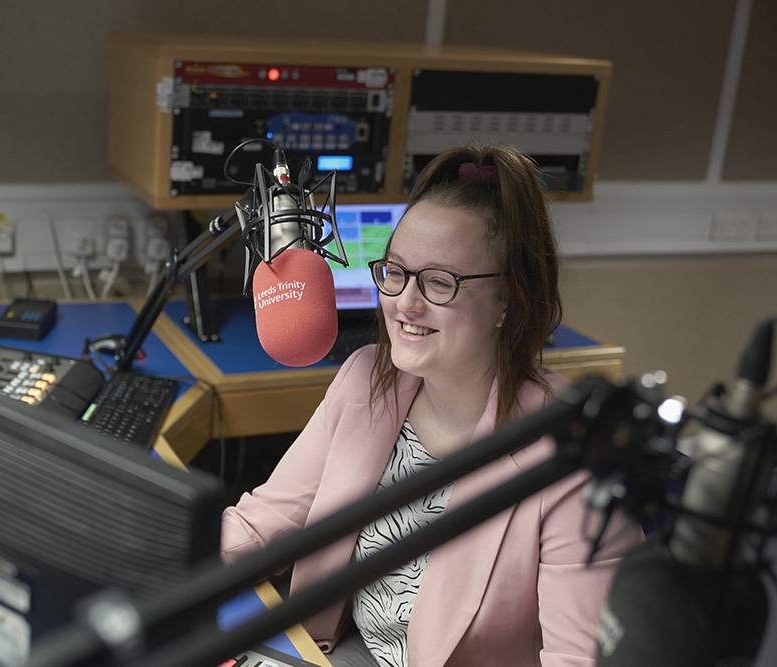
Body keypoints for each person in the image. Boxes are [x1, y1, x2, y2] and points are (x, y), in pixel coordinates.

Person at [220, 143, 644, 667]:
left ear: (509, 299)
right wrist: (140, 562)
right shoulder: (365, 381)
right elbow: (261, 525)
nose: (405, 303)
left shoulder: (574, 452)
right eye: (395, 272)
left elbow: (580, 661)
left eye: (440, 282)